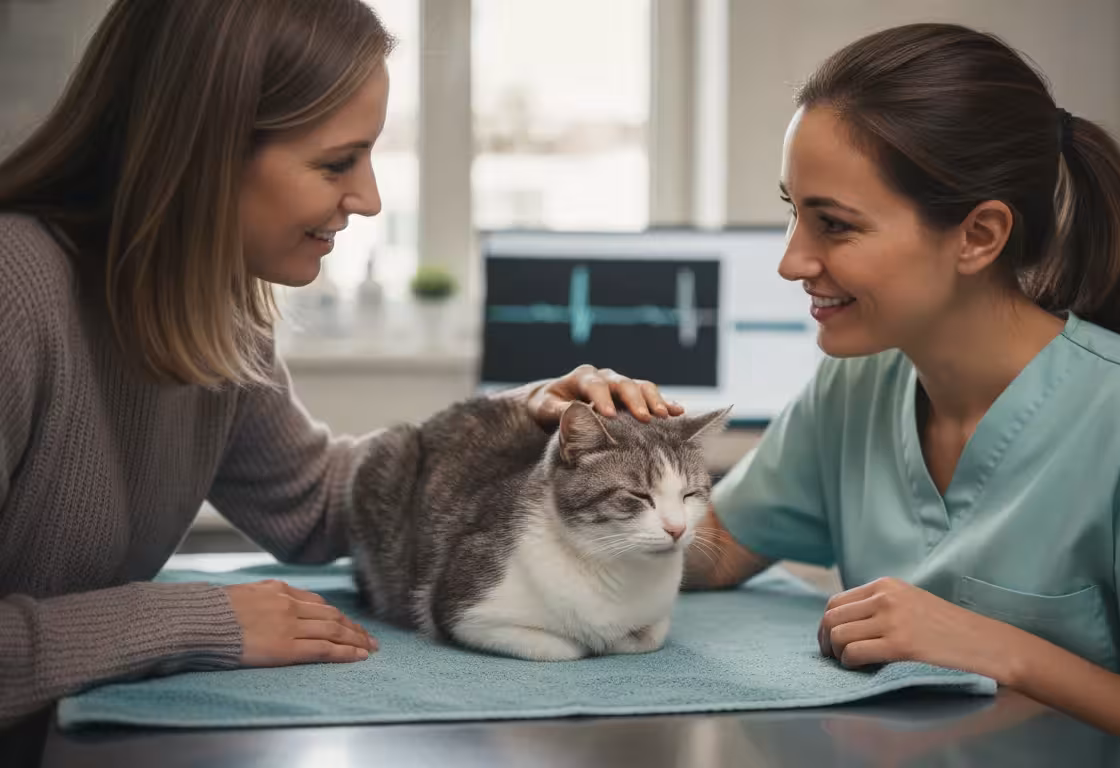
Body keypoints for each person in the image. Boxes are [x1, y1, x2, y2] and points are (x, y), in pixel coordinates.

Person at [0, 0, 679, 728]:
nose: (370, 198)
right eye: (335, 163)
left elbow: (320, 506)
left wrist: (520, 418)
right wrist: (185, 621)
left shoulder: (210, 310)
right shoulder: (15, 294)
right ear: (201, 149)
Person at [684, 23, 1120, 767]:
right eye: (794, 211)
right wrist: (564, 449)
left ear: (978, 236)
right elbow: (711, 553)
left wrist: (1005, 652)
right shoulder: (855, 386)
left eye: (834, 225)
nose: (793, 260)